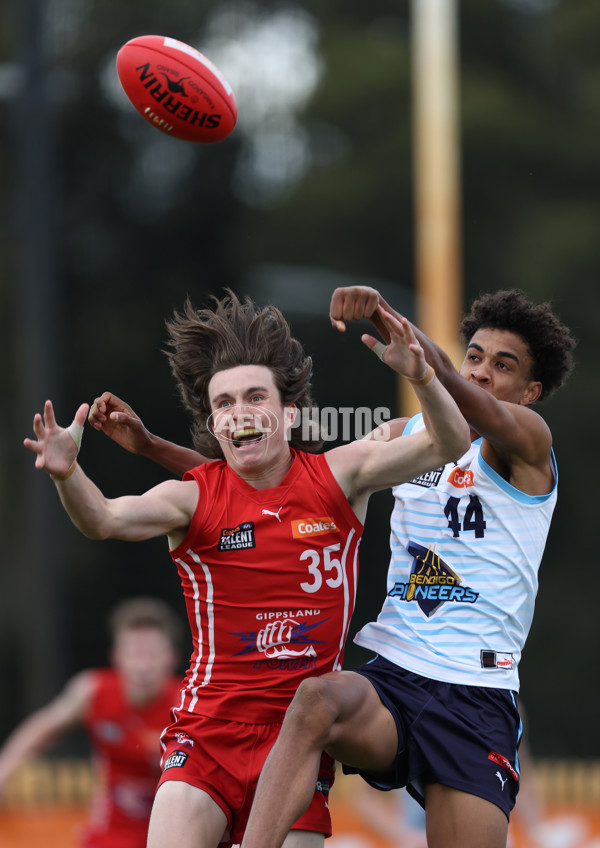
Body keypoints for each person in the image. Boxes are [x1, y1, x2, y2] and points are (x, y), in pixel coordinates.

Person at [23, 291, 470, 848]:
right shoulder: (191, 498)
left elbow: (451, 442)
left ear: (289, 411)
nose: (239, 412)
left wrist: (423, 376)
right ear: (214, 422)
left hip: (298, 742)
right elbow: (104, 519)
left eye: (255, 396)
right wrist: (68, 474)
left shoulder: (342, 475)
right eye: (225, 402)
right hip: (206, 736)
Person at [238, 287, 576, 848]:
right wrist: (162, 452)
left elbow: (466, 400)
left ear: (531, 391)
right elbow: (295, 490)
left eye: (503, 365)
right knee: (315, 700)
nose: (483, 372)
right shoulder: (402, 438)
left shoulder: (529, 445)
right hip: (396, 678)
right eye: (474, 356)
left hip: (477, 697)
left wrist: (388, 323)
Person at [0, 596, 182, 848]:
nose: (143, 665)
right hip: (110, 832)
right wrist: (4, 770)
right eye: (134, 653)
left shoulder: (187, 703)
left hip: (172, 830)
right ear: (116, 656)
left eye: (152, 654)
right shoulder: (93, 692)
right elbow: (42, 728)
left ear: (171, 658)